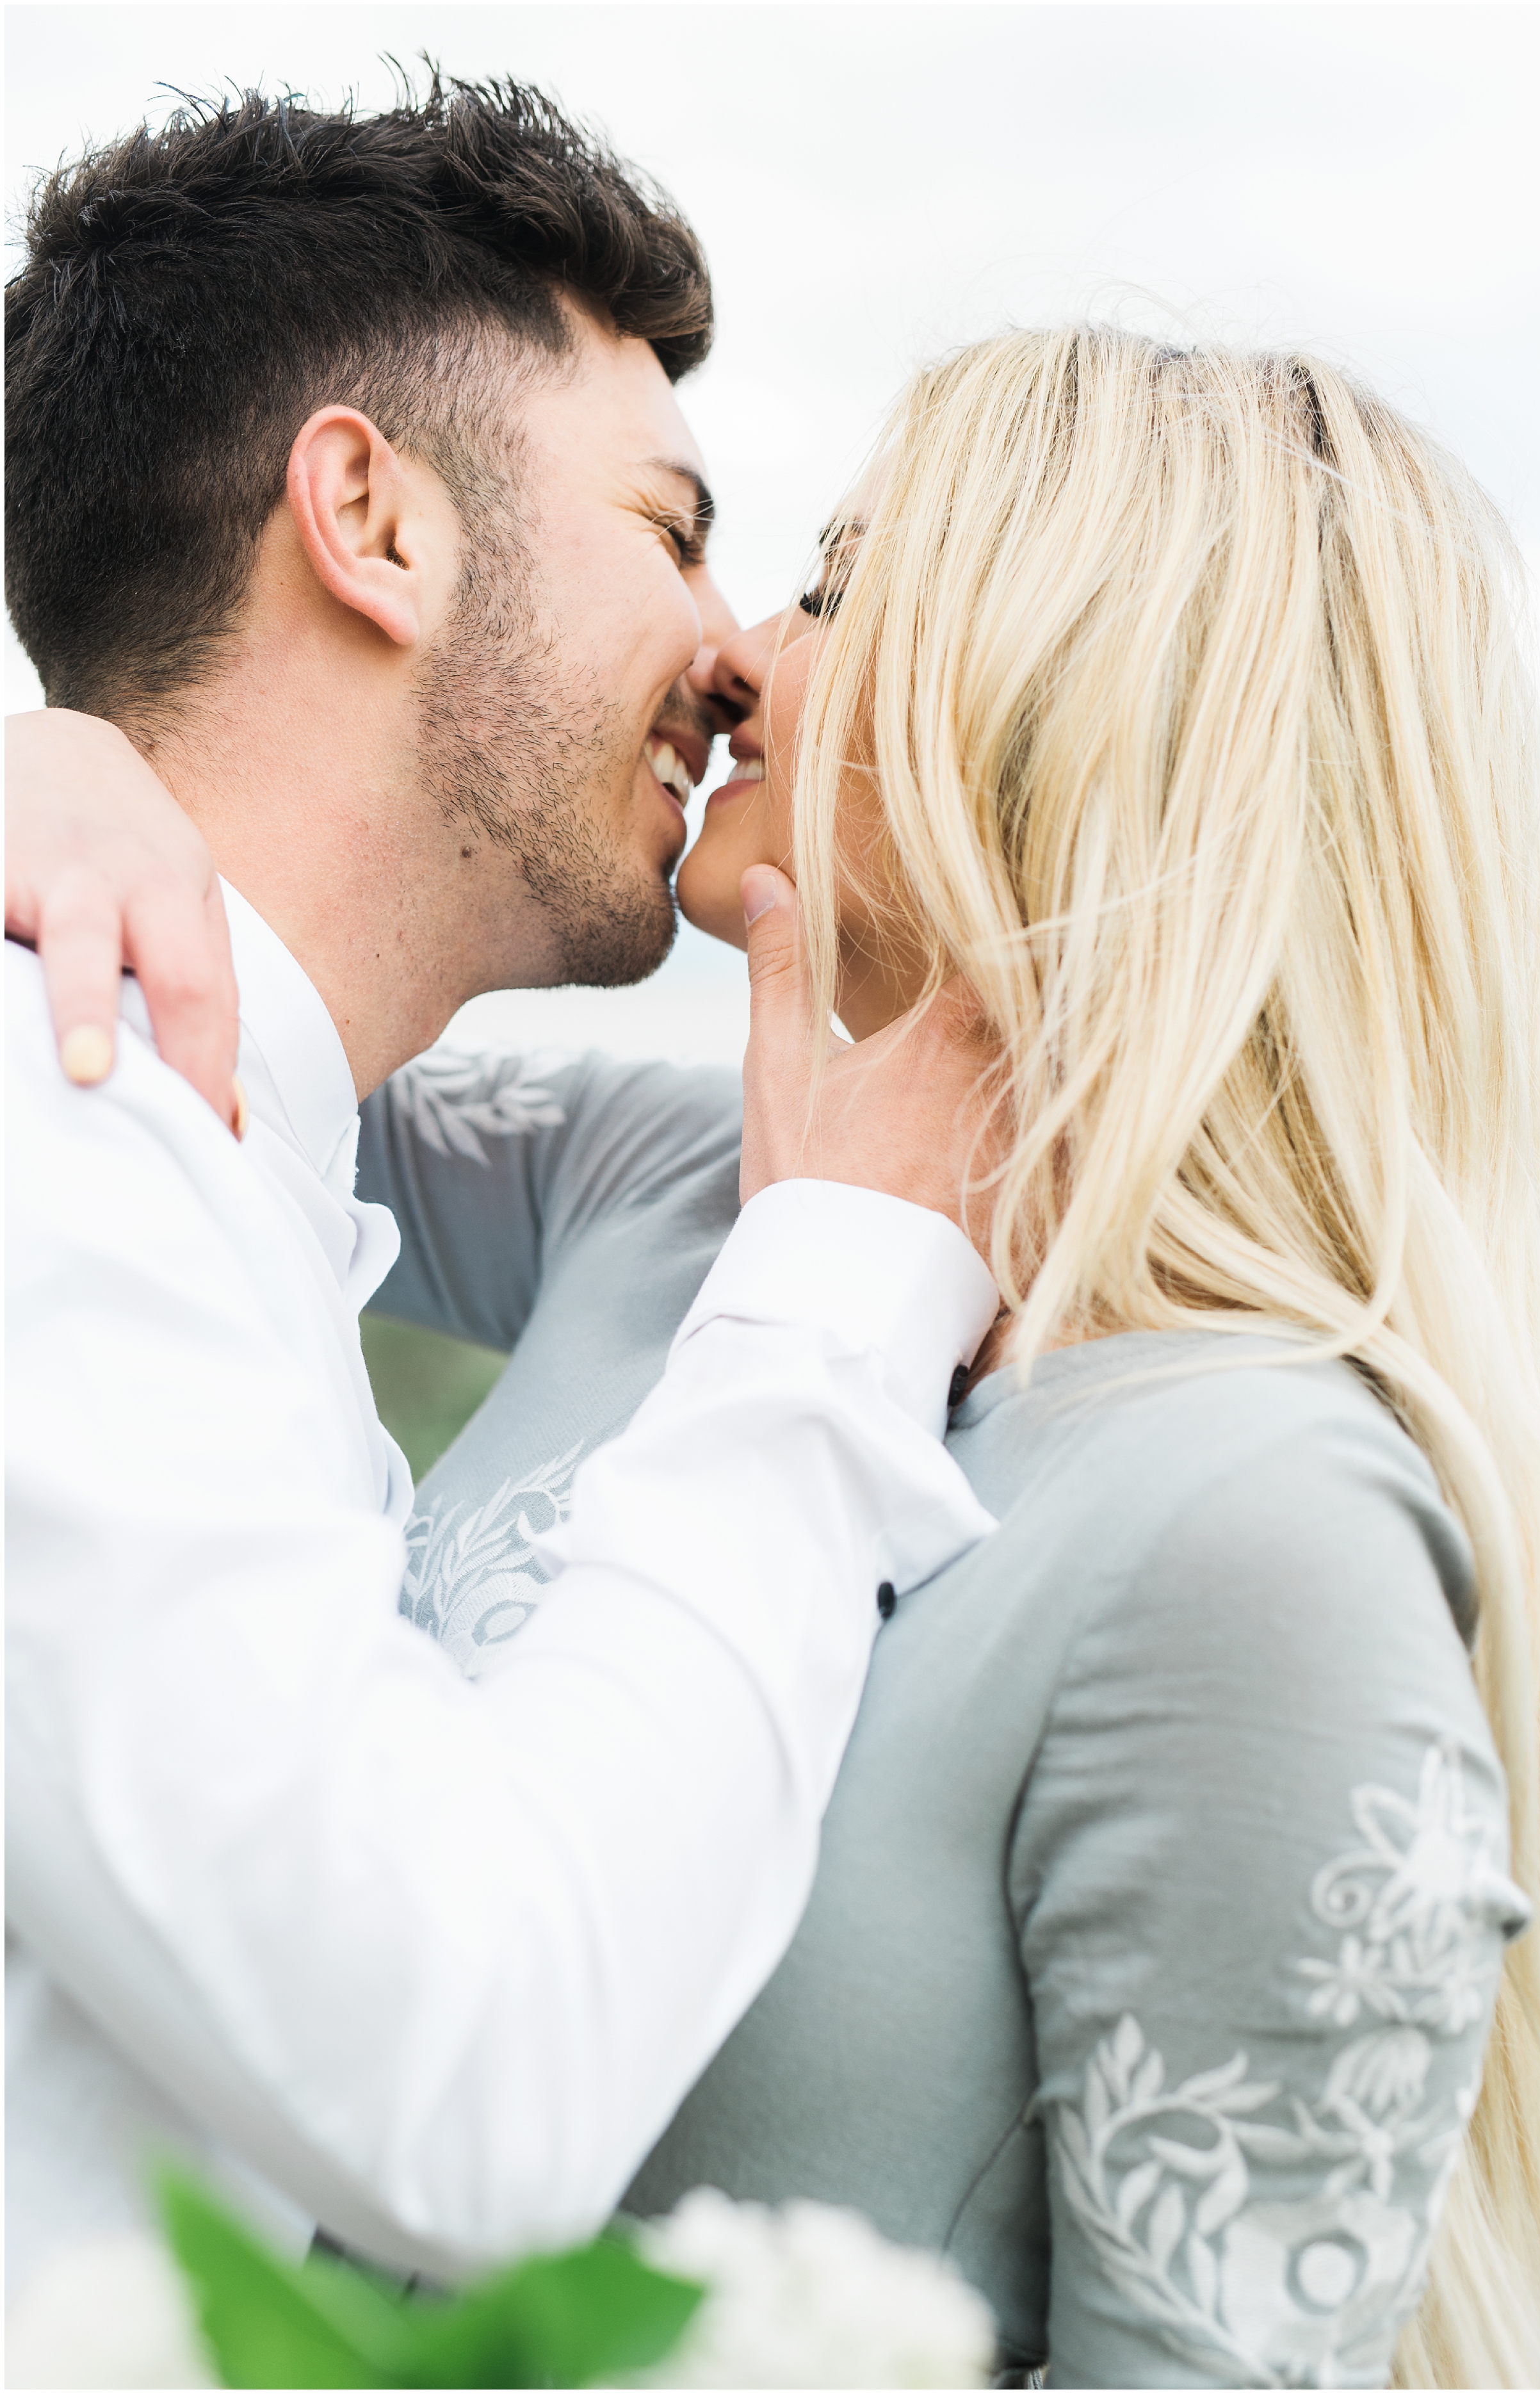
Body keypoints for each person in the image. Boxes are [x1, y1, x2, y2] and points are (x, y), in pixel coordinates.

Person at [29, 325, 1540, 2388]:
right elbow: (255, 991)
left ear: (1067, 699)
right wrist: (69, 763)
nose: (740, 651)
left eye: (838, 587)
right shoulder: (673, 1186)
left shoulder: (1255, 1524)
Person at [3, 79, 1007, 2306]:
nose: (733, 647)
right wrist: (832, 1300)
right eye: (670, 527)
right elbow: (471, 2080)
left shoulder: (206, 1131)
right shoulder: (59, 1135)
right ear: (370, 515)